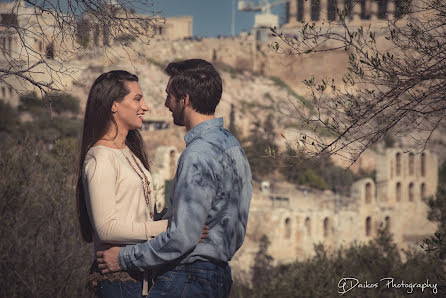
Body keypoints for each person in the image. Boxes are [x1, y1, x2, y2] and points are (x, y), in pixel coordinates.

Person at [97, 59, 253, 298]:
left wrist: (123, 259)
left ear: (185, 100)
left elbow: (182, 237)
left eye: (169, 95)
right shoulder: (234, 148)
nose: (166, 103)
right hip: (219, 278)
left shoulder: (198, 154)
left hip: (188, 279)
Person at [75, 70, 208, 297]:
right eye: (137, 99)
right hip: (116, 282)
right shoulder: (101, 158)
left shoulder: (129, 152)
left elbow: (140, 215)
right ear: (113, 105)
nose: (145, 107)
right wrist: (171, 228)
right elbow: (106, 228)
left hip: (139, 279)